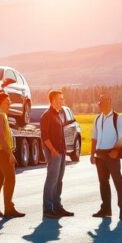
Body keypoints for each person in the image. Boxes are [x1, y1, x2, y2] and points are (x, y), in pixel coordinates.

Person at [90, 93, 122, 219]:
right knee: (103, 182)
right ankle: (106, 209)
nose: (101, 103)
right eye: (100, 101)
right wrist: (92, 153)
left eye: (105, 101)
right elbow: (94, 137)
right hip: (99, 155)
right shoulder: (97, 118)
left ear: (110, 102)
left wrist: (116, 150)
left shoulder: (118, 118)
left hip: (112, 154)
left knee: (118, 181)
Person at [0, 91, 23, 218]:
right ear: (1, 103)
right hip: (1, 152)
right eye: (8, 102)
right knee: (10, 178)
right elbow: (1, 137)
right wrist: (10, 154)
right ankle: (9, 208)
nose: (10, 103)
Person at [41, 90, 73, 219]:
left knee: (59, 180)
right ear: (53, 100)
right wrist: (53, 150)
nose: (63, 101)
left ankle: (57, 206)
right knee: (51, 180)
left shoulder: (58, 115)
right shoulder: (47, 115)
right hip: (54, 153)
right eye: (61, 99)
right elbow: (44, 136)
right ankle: (48, 209)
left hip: (61, 152)